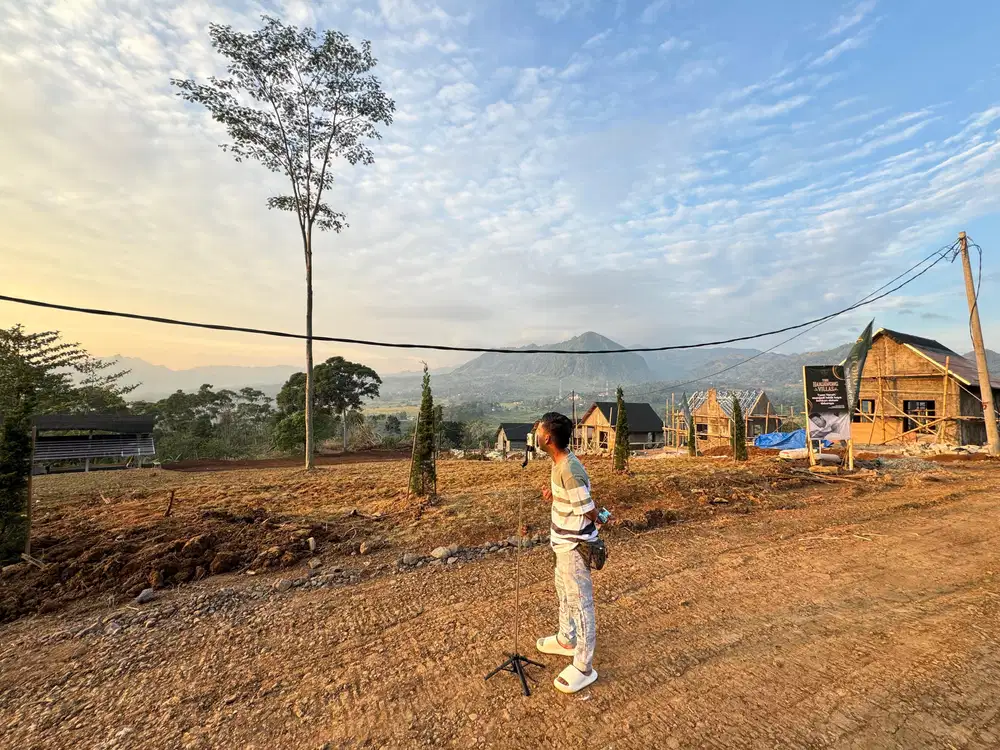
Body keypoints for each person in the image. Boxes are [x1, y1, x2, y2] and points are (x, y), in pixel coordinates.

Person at [533, 411, 600, 694]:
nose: (534, 435)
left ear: (547, 438)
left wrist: (601, 517)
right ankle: (566, 639)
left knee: (580, 603)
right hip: (561, 545)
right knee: (563, 593)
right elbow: (572, 497)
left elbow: (589, 511)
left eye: (537, 431)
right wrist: (555, 494)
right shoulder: (558, 463)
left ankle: (584, 666)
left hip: (573, 547)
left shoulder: (569, 470)